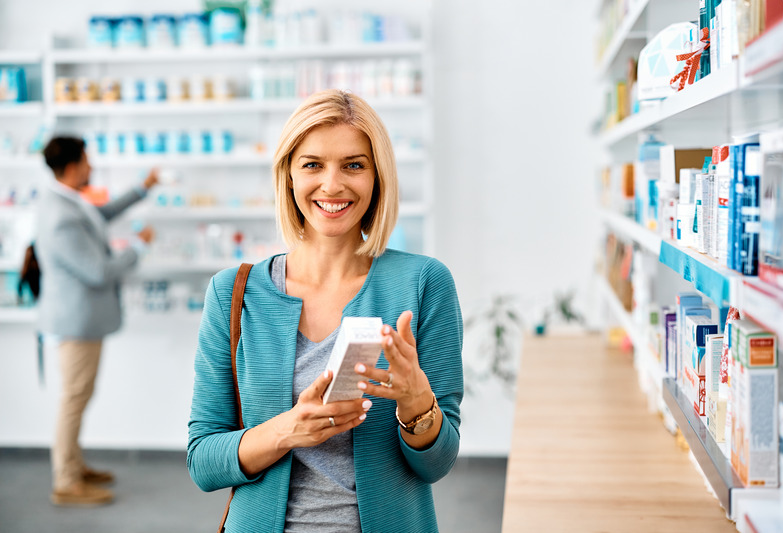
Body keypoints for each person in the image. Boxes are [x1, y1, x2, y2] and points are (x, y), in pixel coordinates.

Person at [188, 89, 464, 532]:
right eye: (312, 164)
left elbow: (438, 461)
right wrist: (287, 430)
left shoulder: (422, 283)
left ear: (378, 177)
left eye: (354, 165)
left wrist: (416, 402)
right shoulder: (233, 294)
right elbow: (203, 461)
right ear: (289, 176)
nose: (332, 185)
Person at [37, 136, 158, 506]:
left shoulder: (69, 201)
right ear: (73, 165)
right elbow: (97, 271)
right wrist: (137, 247)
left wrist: (142, 189)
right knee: (74, 399)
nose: (91, 167)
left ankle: (74, 464)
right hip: (76, 322)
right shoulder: (60, 216)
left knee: (80, 395)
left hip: (83, 320)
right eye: (87, 161)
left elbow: (100, 215)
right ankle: (66, 481)